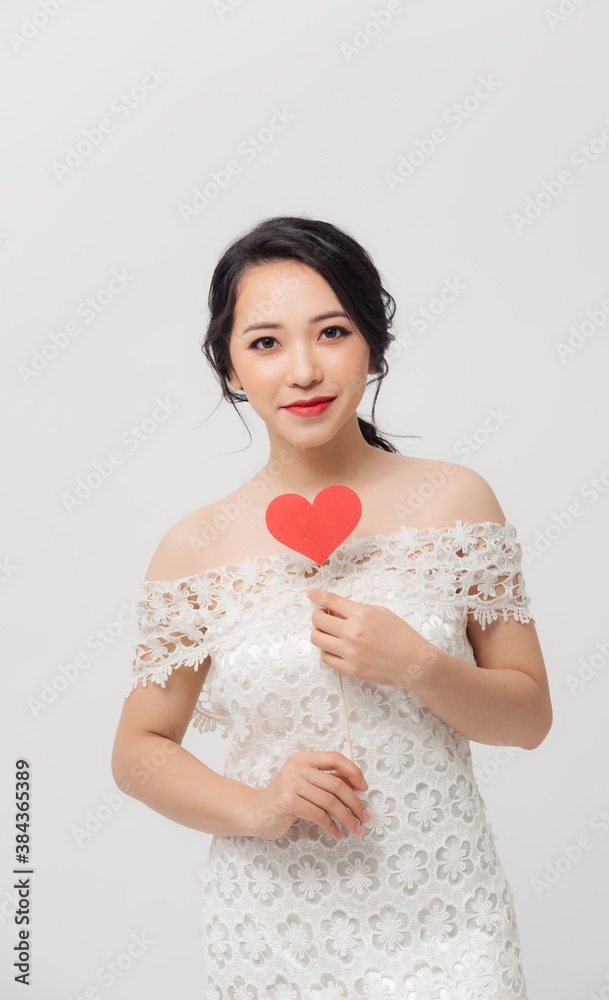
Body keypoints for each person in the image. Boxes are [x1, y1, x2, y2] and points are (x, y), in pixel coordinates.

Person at [111, 215, 552, 998]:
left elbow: (527, 718)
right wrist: (257, 807)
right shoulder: (194, 547)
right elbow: (138, 752)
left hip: (446, 921)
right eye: (266, 343)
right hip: (275, 937)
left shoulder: (454, 501)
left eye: (332, 331)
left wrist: (420, 666)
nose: (304, 370)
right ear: (229, 368)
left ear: (372, 347)